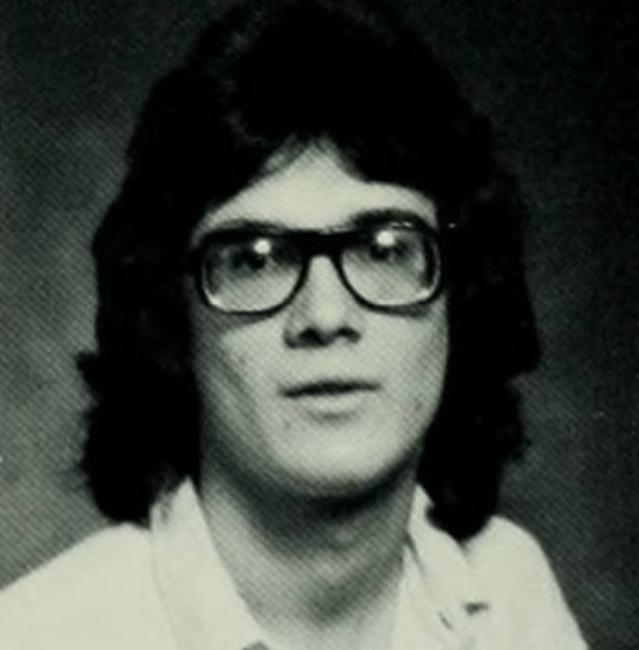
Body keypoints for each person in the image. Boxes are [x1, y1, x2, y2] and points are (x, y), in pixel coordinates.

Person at [0, 0, 588, 648]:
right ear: (171, 320)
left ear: (462, 291)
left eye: (386, 249)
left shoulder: (509, 595)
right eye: (254, 260)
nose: (326, 316)